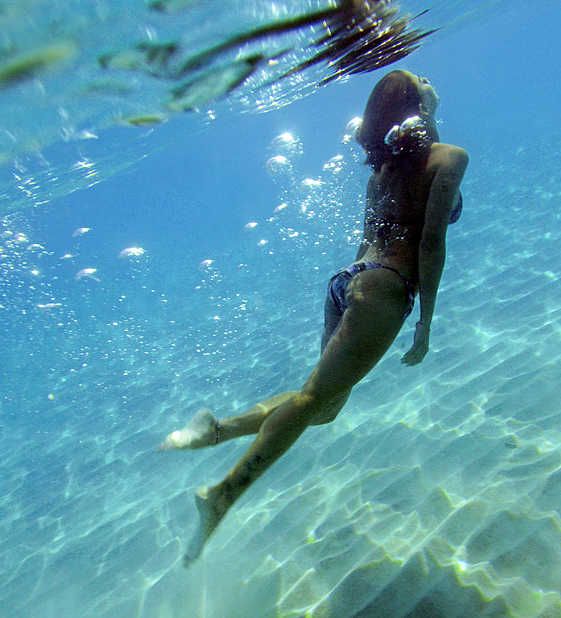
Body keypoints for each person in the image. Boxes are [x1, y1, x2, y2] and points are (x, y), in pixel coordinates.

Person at [161, 70, 468, 566]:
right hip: (385, 290)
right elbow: (431, 244)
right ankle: (222, 495)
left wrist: (356, 293)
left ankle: (213, 431)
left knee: (324, 406)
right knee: (310, 401)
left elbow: (381, 227)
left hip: (350, 281)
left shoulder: (383, 171)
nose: (433, 83)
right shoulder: (451, 158)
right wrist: (425, 322)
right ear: (416, 106)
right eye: (424, 83)